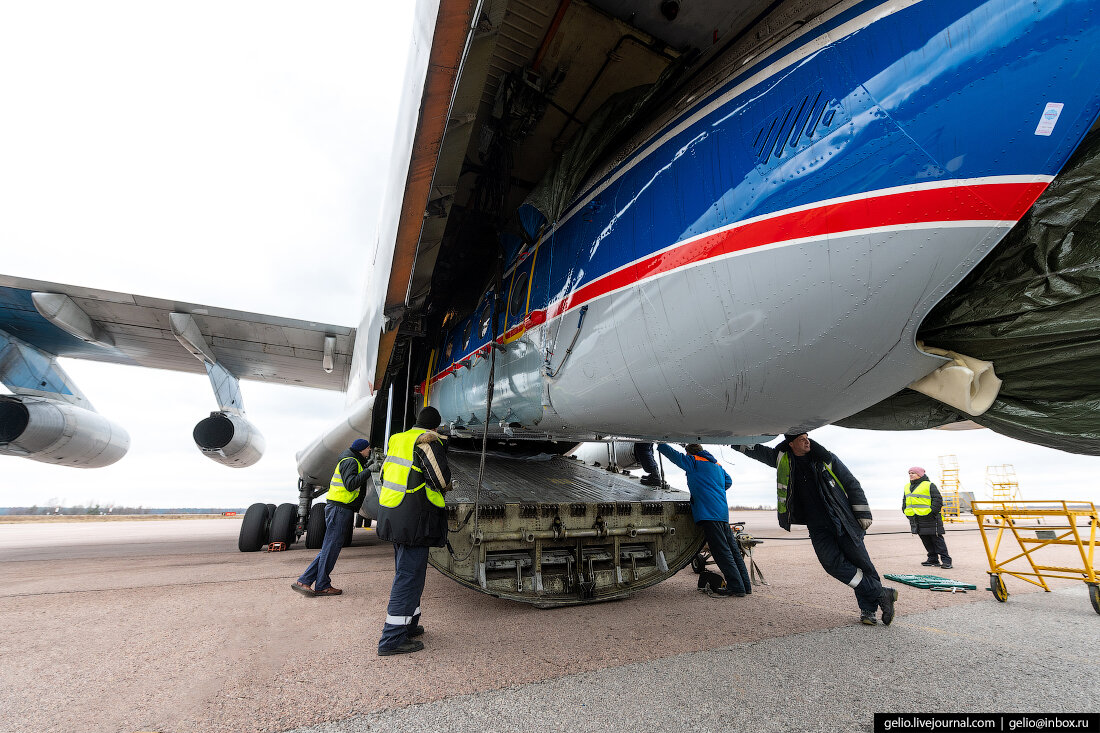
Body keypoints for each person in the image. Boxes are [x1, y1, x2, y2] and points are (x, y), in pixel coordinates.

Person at [734, 432, 898, 625]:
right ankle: (881, 593)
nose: (807, 441)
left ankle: (868, 610)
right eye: (802, 439)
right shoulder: (782, 459)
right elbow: (757, 451)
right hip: (817, 526)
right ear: (791, 443)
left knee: (862, 564)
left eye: (807, 437)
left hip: (842, 520)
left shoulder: (825, 459)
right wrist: (733, 442)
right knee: (831, 564)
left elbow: (851, 483)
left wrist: (863, 513)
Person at [376, 406, 452, 656]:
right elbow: (441, 480)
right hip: (415, 519)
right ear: (435, 427)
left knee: (410, 574)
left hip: (394, 514)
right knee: (409, 577)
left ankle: (409, 625)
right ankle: (391, 639)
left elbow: (385, 474)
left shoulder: (398, 440)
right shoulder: (427, 443)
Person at [657, 443, 751, 596]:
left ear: (689, 453)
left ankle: (736, 587)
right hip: (721, 513)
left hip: (708, 513)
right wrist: (713, 489)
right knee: (732, 550)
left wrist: (659, 443)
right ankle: (745, 585)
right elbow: (728, 481)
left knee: (721, 552)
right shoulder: (717, 465)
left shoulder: (693, 461)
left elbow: (675, 456)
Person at [292, 438, 374, 597]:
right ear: (361, 449)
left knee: (329, 548)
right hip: (339, 509)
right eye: (368, 448)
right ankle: (321, 585)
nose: (369, 451)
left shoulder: (352, 459)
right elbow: (350, 484)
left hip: (339, 508)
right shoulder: (350, 461)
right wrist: (369, 470)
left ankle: (304, 581)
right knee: (331, 548)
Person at [904, 467, 952, 569]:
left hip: (930, 517)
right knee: (925, 539)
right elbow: (905, 501)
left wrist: (931, 513)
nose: (911, 475)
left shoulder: (929, 485)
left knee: (937, 539)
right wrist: (906, 512)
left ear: (920, 474)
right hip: (916, 518)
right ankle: (933, 559)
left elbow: (938, 500)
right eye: (909, 473)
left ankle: (946, 561)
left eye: (913, 473)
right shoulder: (907, 486)